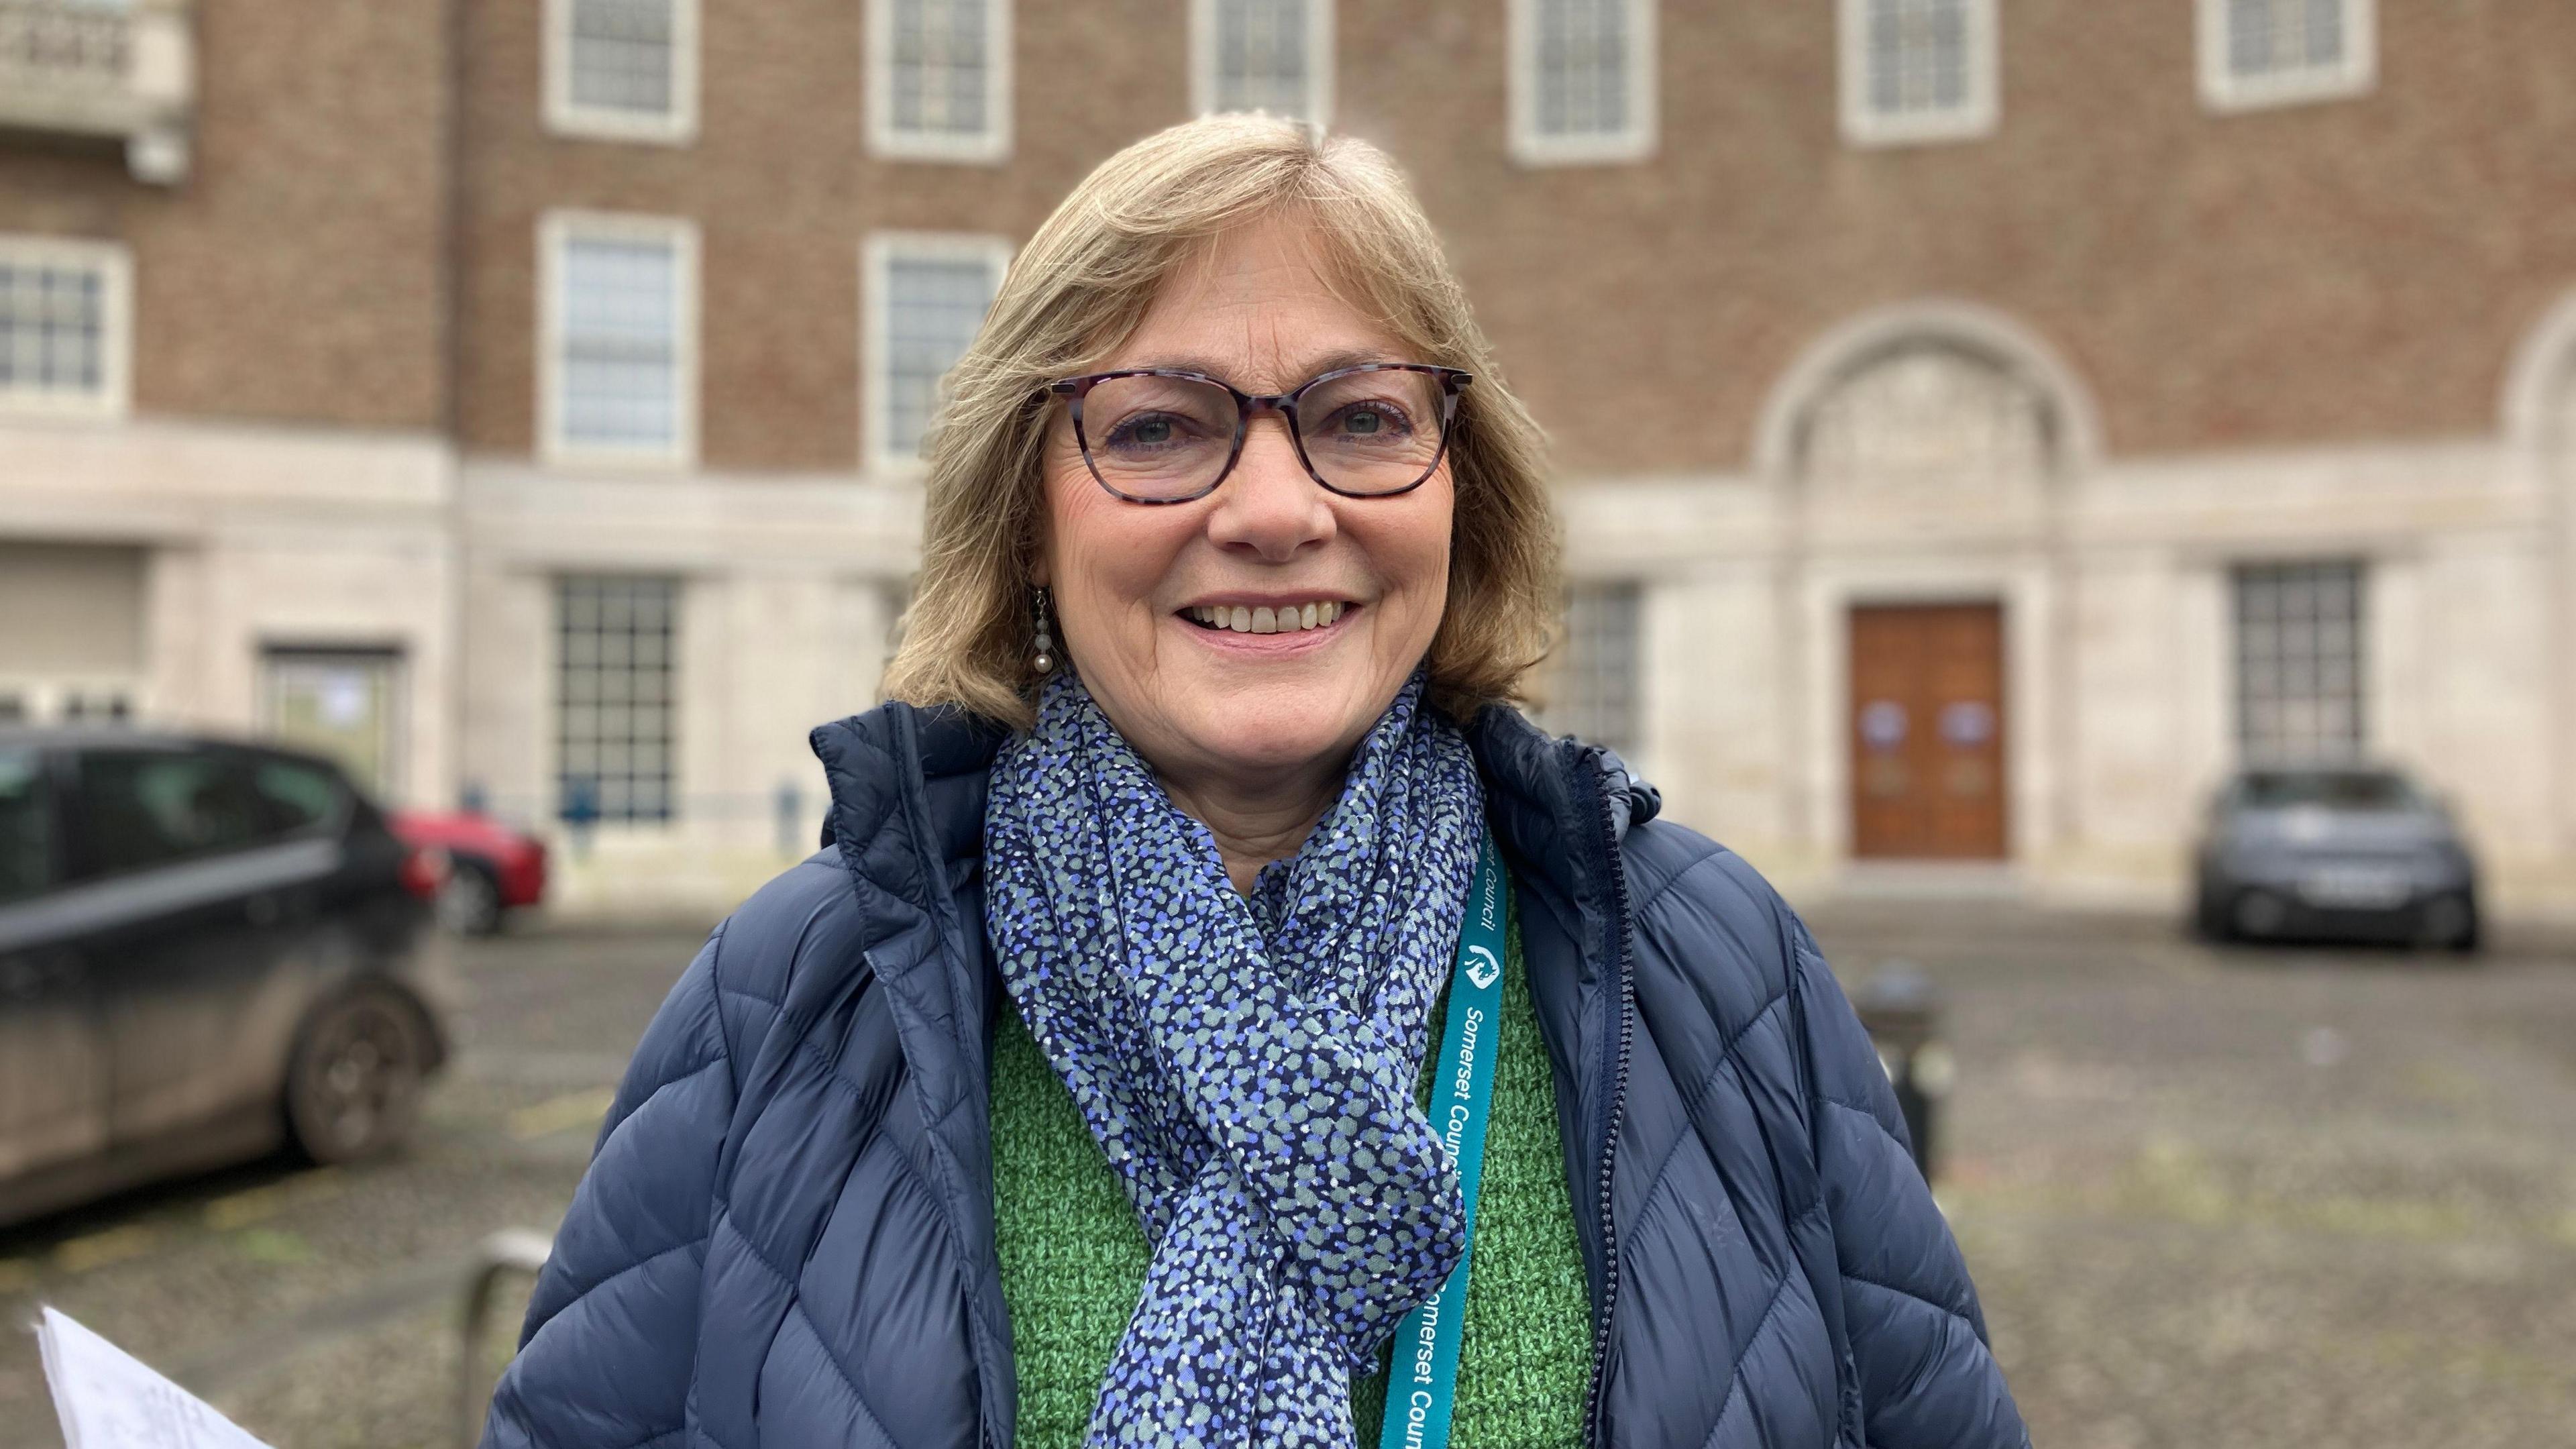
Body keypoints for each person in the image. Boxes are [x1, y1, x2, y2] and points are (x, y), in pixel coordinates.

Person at [482, 115, 2026, 1449]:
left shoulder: (1719, 965)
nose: (1277, 508)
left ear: (1456, 490)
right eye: (1160, 427)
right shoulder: (789, 995)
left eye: (1361, 419)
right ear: (1028, 512)